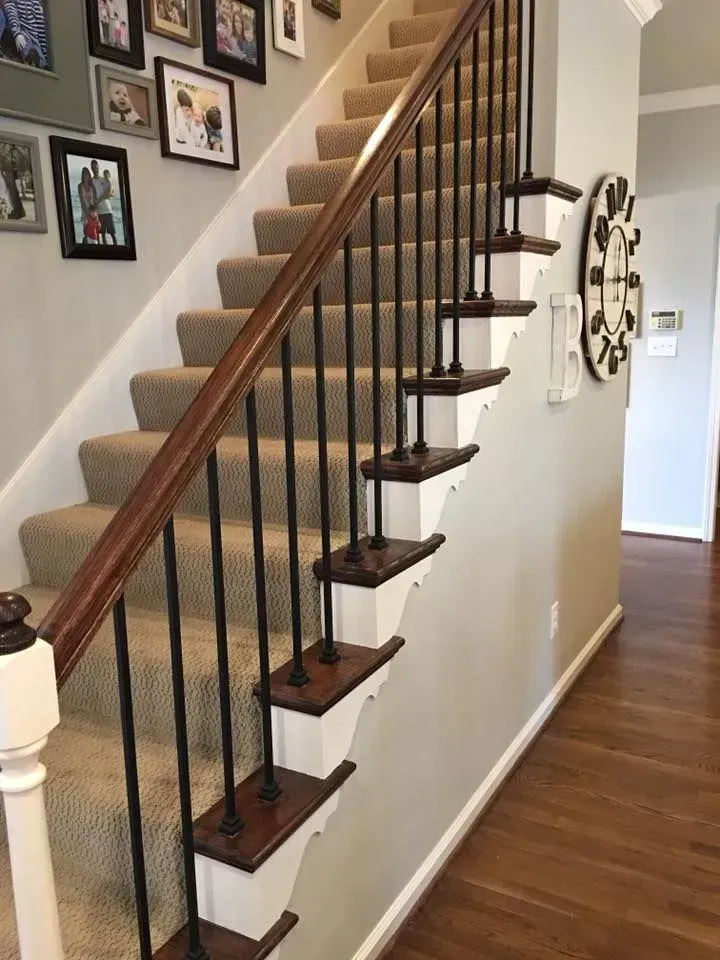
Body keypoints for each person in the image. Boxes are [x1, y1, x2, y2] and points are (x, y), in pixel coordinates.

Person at [1, 0, 49, 68]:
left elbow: (40, 27)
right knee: (25, 44)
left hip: (34, 38)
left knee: (39, 55)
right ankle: (30, 61)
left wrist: (45, 51)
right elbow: (11, 12)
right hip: (19, 31)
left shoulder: (35, 3)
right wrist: (17, 33)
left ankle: (40, 64)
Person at [90, 158, 116, 244]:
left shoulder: (103, 179)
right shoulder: (91, 181)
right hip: (99, 211)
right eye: (93, 168)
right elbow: (92, 195)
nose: (95, 169)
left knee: (113, 233)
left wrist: (100, 199)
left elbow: (111, 193)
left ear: (98, 167)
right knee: (102, 234)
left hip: (108, 209)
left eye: (96, 167)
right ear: (91, 168)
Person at [77, 166, 95, 237]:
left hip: (93, 210)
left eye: (87, 174)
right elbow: (82, 201)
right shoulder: (80, 186)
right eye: (84, 174)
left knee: (93, 232)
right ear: (82, 175)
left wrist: (93, 211)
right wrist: (87, 213)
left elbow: (94, 199)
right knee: (86, 231)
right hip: (85, 211)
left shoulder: (92, 186)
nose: (86, 176)